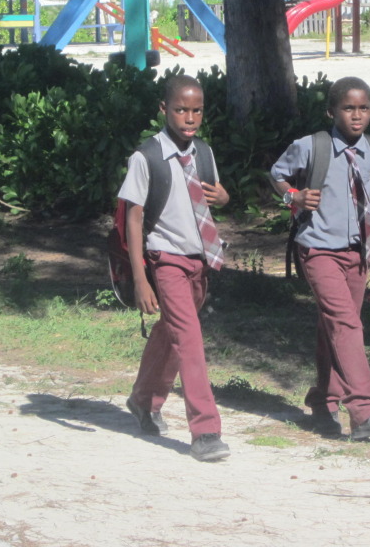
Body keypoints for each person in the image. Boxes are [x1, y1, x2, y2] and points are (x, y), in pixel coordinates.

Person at [270, 76, 370, 439]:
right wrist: (294, 198)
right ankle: (365, 409)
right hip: (318, 248)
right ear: (332, 111)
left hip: (359, 252)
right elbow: (277, 175)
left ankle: (323, 401)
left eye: (363, 108)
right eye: (348, 108)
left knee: (332, 327)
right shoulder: (311, 146)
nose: (356, 115)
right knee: (346, 323)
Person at [118, 74, 231, 462]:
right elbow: (133, 219)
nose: (189, 118)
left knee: (172, 333)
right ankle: (205, 430)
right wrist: (139, 279)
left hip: (199, 261)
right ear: (164, 109)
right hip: (164, 260)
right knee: (190, 338)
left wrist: (224, 195)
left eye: (196, 110)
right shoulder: (145, 157)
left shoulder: (204, 152)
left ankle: (142, 399)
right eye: (181, 109)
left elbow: (212, 198)